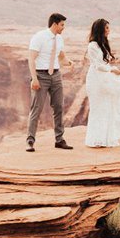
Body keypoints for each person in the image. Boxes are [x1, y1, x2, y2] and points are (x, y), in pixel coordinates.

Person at [83, 17, 120, 148]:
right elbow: (97, 65)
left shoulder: (102, 43)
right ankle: (96, 139)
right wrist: (112, 69)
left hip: (104, 78)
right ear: (100, 29)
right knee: (98, 108)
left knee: (108, 107)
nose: (109, 30)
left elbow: (104, 63)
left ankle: (106, 139)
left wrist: (111, 70)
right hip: (96, 80)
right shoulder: (92, 45)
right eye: (106, 28)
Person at [26, 12, 73, 152]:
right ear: (55, 24)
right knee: (36, 109)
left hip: (56, 76)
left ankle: (59, 140)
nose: (63, 28)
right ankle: (30, 141)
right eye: (62, 25)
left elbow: (60, 56)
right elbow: (31, 59)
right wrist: (34, 78)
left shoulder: (59, 39)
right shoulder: (39, 37)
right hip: (41, 76)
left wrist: (68, 62)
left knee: (58, 107)